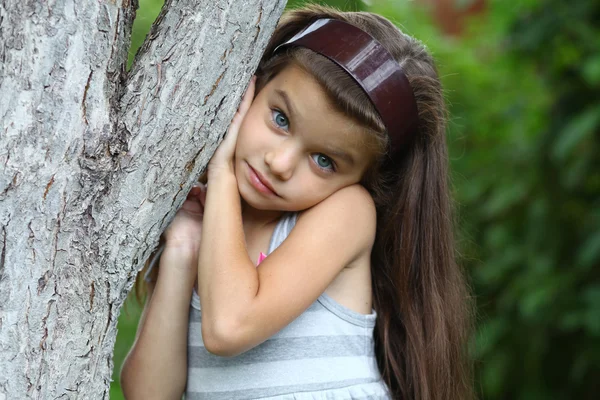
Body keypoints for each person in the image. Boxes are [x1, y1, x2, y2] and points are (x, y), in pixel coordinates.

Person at [120, 4, 473, 400]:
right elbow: (148, 394)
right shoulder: (211, 225)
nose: (280, 163)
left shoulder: (346, 213)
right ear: (250, 87)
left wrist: (220, 174)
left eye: (324, 161)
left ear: (361, 179)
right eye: (281, 119)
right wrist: (184, 248)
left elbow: (228, 327)